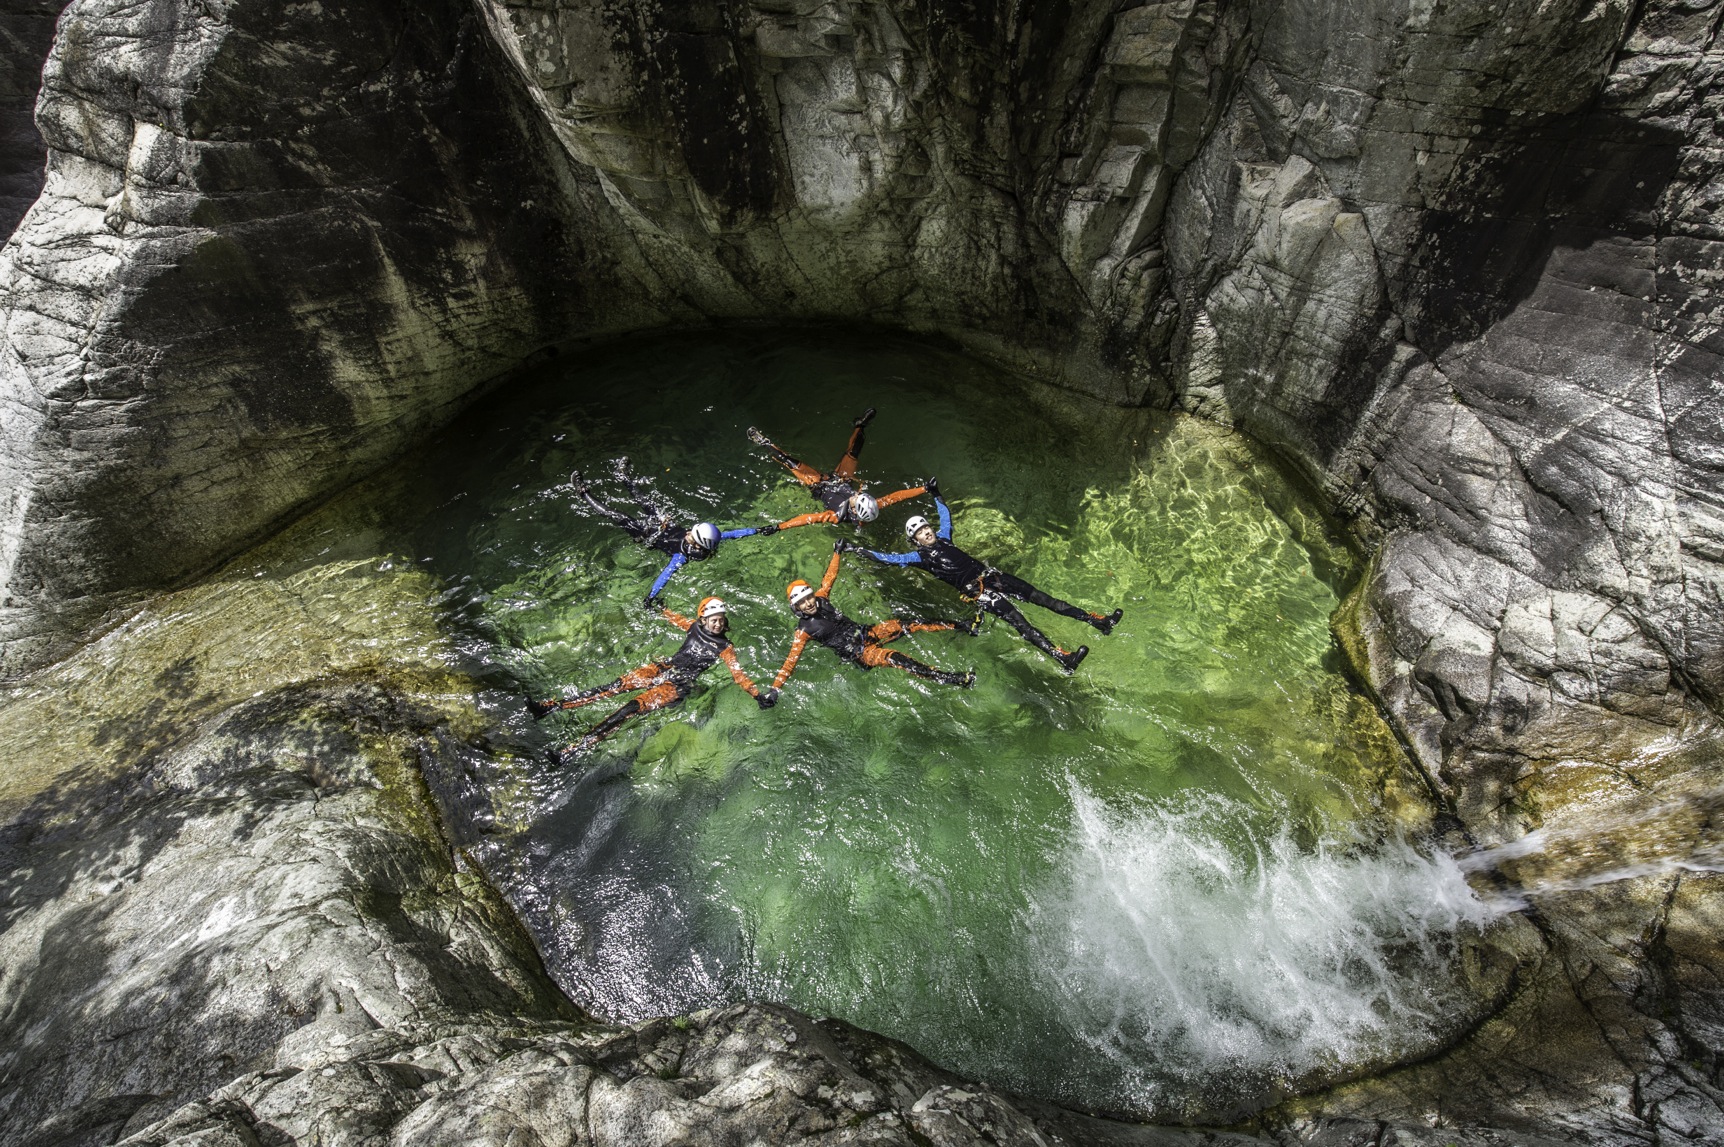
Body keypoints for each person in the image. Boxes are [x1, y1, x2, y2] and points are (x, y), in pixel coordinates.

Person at [840, 478, 1123, 673]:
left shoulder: (945, 538)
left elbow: (946, 517)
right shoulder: (919, 557)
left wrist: (935, 494)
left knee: (1045, 599)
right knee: (1021, 624)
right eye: (920, 533)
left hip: (994, 576)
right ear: (914, 540)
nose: (926, 532)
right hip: (981, 593)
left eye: (926, 528)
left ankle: (1098, 621)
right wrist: (855, 548)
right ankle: (1063, 657)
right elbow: (888, 559)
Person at [529, 596, 778, 762]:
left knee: (626, 710)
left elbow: (738, 674)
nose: (718, 623)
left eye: (721, 620)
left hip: (675, 686)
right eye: (714, 619)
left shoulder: (725, 646)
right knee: (611, 688)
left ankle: (568, 753)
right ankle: (550, 707)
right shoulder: (694, 627)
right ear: (703, 619)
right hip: (662, 668)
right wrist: (659, 609)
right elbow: (676, 619)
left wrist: (756, 695)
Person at [774, 544, 977, 691]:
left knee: (909, 624)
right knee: (899, 659)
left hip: (867, 632)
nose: (809, 603)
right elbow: (790, 662)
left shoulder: (821, 599)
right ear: (796, 607)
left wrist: (837, 552)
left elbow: (829, 578)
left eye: (809, 597)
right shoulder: (803, 631)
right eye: (803, 602)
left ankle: (963, 625)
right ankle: (954, 679)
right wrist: (775, 690)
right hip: (861, 653)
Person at [572, 459, 777, 602]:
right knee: (643, 499)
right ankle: (623, 476)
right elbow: (734, 534)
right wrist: (759, 530)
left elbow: (664, 576)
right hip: (664, 526)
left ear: (697, 544)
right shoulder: (713, 540)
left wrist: (650, 597)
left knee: (619, 516)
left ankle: (583, 494)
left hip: (646, 536)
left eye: (692, 534)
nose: (688, 531)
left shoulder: (681, 556)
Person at [747, 408, 924, 529]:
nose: (856, 494)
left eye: (857, 498)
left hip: (819, 484)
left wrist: (779, 527)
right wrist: (925, 488)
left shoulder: (838, 516)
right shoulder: (871, 507)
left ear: (854, 511)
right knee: (853, 452)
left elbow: (806, 519)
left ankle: (763, 442)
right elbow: (895, 497)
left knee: (790, 462)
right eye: (859, 494)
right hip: (841, 480)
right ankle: (860, 425)